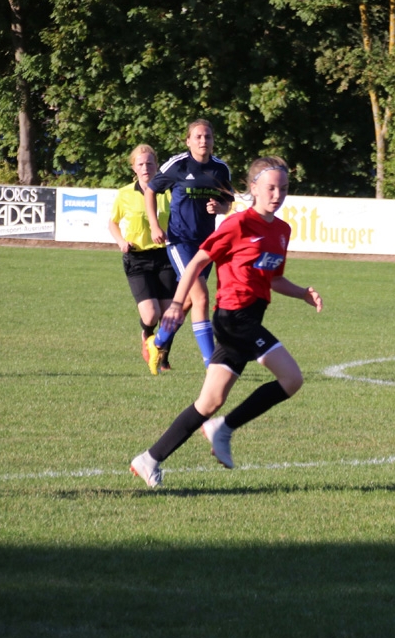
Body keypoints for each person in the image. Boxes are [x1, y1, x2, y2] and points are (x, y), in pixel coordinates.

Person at [129, 156, 323, 487]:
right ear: (254, 188)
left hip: (249, 318)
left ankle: (149, 458)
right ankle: (224, 428)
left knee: (209, 402)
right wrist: (176, 304)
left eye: (284, 188)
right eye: (271, 188)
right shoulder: (237, 225)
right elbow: (196, 262)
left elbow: (274, 278)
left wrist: (302, 293)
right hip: (233, 318)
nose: (277, 195)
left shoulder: (281, 230)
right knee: (292, 378)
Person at [143, 118, 234, 373]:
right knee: (201, 296)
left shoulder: (220, 169)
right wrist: (154, 225)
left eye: (208, 137)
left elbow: (227, 203)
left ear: (213, 141)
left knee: (190, 302)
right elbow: (150, 190)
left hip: (207, 245)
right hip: (180, 242)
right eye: (198, 137)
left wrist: (220, 208)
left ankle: (156, 342)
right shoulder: (178, 165)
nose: (203, 141)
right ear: (188, 141)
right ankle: (211, 364)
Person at [108, 144, 175, 371]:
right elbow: (112, 223)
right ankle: (147, 334)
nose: (146, 168)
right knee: (151, 315)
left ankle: (163, 359)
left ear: (157, 165)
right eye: (141, 164)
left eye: (150, 163)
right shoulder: (124, 194)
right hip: (137, 258)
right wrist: (121, 241)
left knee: (169, 314)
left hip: (165, 256)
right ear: (134, 168)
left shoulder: (168, 192)